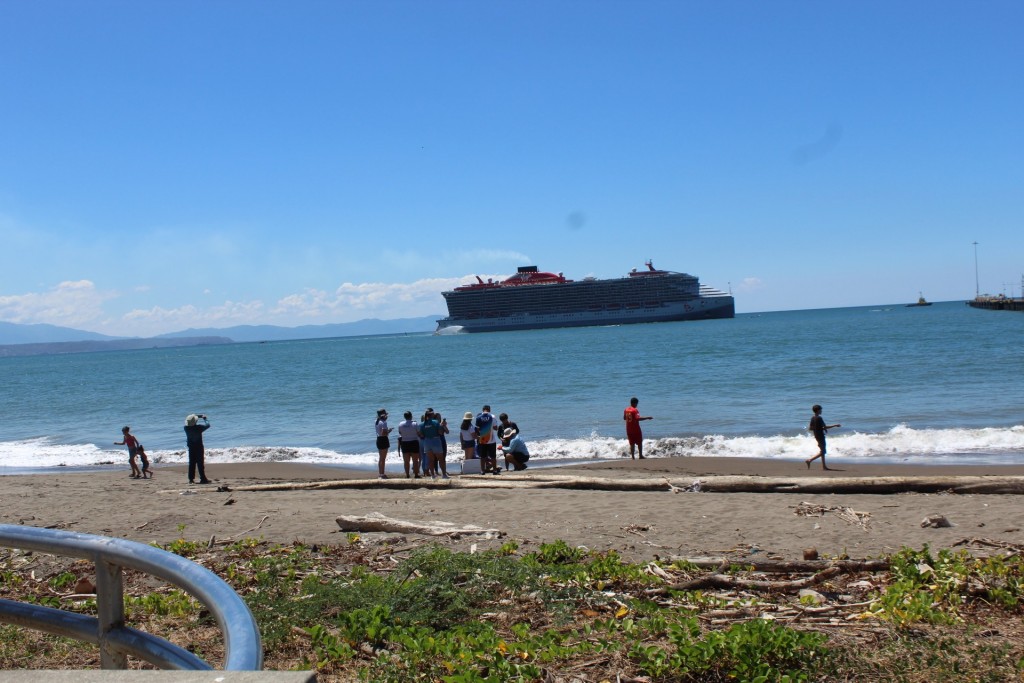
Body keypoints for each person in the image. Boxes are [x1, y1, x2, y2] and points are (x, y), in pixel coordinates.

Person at [805, 404, 841, 470]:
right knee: (823, 451)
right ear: (818, 410)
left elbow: (810, 428)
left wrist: (818, 428)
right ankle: (810, 460)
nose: (821, 411)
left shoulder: (813, 418)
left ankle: (824, 466)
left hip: (816, 435)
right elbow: (825, 427)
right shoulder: (819, 418)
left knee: (822, 451)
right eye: (821, 410)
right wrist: (835, 425)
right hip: (820, 436)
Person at [418, 410, 447, 479]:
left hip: (427, 442)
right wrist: (442, 426)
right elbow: (440, 432)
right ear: (432, 415)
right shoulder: (435, 422)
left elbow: (421, 435)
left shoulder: (422, 424)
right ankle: (444, 475)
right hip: (436, 441)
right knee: (441, 459)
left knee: (430, 460)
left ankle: (433, 475)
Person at [184, 414, 212, 484]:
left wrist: (198, 416)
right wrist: (205, 418)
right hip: (198, 447)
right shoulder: (199, 428)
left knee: (192, 463)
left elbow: (192, 417)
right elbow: (208, 425)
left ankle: (191, 479)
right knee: (200, 463)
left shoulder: (186, 428)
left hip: (191, 447)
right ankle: (203, 478)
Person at [474, 404, 500, 475]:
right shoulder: (492, 416)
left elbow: (478, 429)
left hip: (483, 440)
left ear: (482, 410)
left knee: (482, 456)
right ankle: (494, 470)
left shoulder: (478, 417)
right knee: (493, 456)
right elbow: (495, 428)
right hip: (491, 440)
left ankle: (482, 471)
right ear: (489, 410)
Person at [397, 411, 421, 478]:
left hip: (405, 443)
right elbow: (419, 433)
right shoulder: (415, 423)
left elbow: (400, 433)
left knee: (406, 461)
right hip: (414, 442)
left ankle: (407, 474)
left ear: (404, 417)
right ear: (411, 416)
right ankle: (416, 475)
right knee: (415, 460)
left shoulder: (401, 424)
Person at [375, 408, 392, 479]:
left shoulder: (376, 421)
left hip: (378, 439)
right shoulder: (384, 422)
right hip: (383, 440)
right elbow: (383, 433)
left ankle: (380, 473)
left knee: (381, 458)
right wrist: (389, 431)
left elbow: (380, 432)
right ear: (383, 415)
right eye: (385, 414)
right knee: (383, 458)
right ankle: (382, 474)